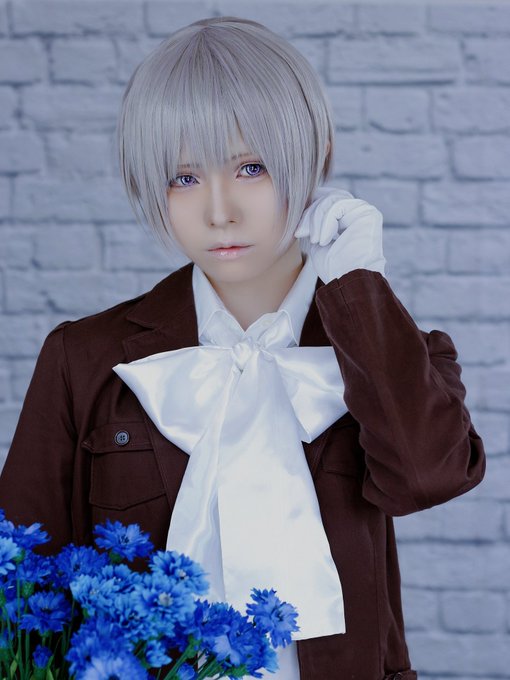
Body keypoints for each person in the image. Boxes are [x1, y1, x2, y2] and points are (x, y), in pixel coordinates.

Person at [0, 16, 485, 680]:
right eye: (183, 178)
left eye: (251, 168)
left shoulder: (385, 352)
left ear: (316, 157)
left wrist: (358, 286)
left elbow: (430, 477)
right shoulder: (84, 358)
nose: (219, 210)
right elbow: (21, 585)